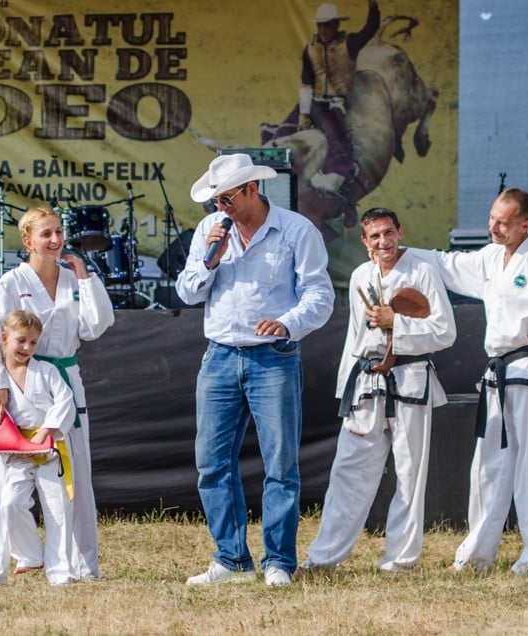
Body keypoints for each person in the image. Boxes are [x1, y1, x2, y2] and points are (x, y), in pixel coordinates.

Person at [411, 188, 528, 575]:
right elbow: (447, 264)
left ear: (525, 225)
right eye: (492, 219)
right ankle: (476, 557)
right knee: (488, 468)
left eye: (504, 223)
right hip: (499, 374)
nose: (494, 228)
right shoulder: (491, 258)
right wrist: (401, 253)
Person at [175, 153, 335, 587]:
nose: (219, 208)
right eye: (214, 200)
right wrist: (210, 260)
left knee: (280, 463)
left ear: (252, 189)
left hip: (274, 356)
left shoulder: (296, 231)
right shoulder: (209, 234)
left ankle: (279, 561)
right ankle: (231, 560)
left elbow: (320, 296)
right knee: (210, 462)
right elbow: (187, 293)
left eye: (226, 198)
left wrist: (288, 322)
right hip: (220, 355)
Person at [300, 207, 455, 574]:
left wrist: (396, 322)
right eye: (375, 236)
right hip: (367, 382)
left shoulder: (423, 272)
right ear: (365, 241)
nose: (383, 241)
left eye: (389, 233)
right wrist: (346, 389)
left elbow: (445, 332)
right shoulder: (359, 277)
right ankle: (323, 559)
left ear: (400, 232)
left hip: (410, 378)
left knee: (409, 475)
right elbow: (355, 336)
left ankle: (399, 562)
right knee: (348, 471)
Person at [0, 206, 114, 586]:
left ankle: (82, 566)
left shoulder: (72, 279)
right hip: (17, 385)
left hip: (64, 383)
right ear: (27, 240)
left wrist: (85, 277)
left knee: (75, 477)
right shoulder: (11, 282)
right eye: (46, 234)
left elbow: (96, 326)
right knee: (2, 481)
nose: (55, 240)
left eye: (58, 233)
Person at [0, 310, 78, 587]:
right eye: (21, 341)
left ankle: (61, 573)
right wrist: (10, 443)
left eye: (33, 342)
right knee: (10, 503)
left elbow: (65, 400)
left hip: (49, 448)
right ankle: (29, 554)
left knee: (57, 510)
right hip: (16, 452)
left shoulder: (46, 371)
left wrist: (46, 431)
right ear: (4, 339)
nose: (27, 348)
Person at [261, 1, 380, 223]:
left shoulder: (349, 43)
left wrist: (373, 7)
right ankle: (267, 185)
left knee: (340, 146)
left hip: (339, 103)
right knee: (282, 130)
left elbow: (370, 28)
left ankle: (346, 198)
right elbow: (306, 83)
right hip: (314, 102)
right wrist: (304, 115)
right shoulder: (311, 49)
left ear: (336, 25)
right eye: (321, 26)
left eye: (328, 25)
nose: (324, 30)